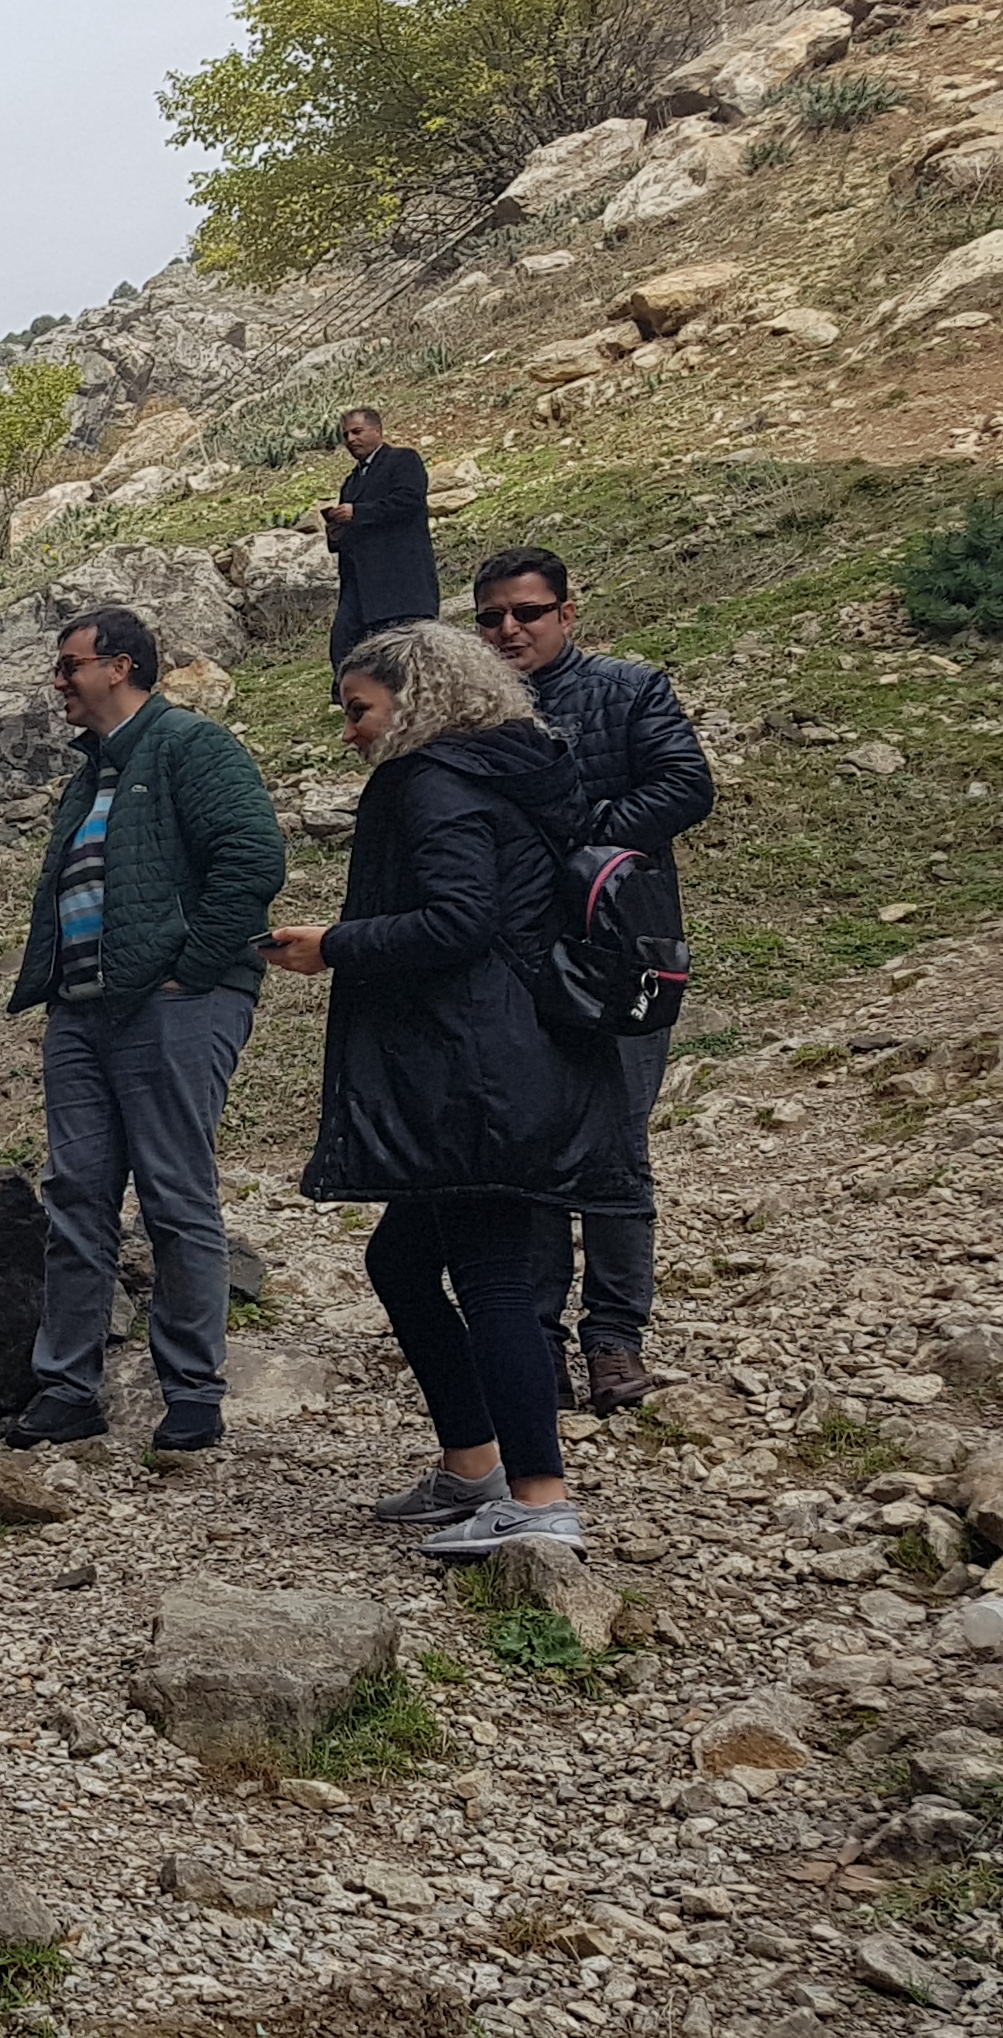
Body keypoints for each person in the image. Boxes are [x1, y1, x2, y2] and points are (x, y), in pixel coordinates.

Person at [267, 620, 644, 1557]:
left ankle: (538, 1498)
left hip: (473, 1071)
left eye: (359, 709)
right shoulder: (513, 771)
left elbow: (457, 921)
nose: (350, 730)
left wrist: (335, 945)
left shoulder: (429, 779)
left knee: (492, 1279)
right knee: (400, 1263)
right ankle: (472, 1465)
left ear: (415, 699)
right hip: (519, 1058)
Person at [1, 605, 288, 1455]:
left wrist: (194, 967)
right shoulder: (86, 776)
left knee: (173, 1193)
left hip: (174, 1005)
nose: (58, 682)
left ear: (119, 666)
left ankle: (193, 1394)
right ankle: (67, 1390)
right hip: (83, 1012)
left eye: (69, 665)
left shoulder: (190, 746)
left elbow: (252, 857)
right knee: (76, 1194)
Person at [472, 544, 712, 1413]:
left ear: (567, 614)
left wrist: (587, 845)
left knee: (616, 1147)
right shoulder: (471, 715)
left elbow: (687, 785)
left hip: (622, 954)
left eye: (527, 612)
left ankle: (615, 1338)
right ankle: (534, 1339)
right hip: (519, 962)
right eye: (492, 616)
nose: (509, 629)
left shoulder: (629, 689)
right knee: (530, 1146)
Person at [318, 407, 437, 666]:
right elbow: (353, 527)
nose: (350, 439)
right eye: (346, 434)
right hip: (360, 587)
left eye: (357, 431)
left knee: (406, 655)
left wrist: (357, 512)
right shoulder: (351, 481)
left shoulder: (402, 460)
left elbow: (408, 501)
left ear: (378, 431)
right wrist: (337, 534)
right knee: (345, 649)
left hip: (401, 581)